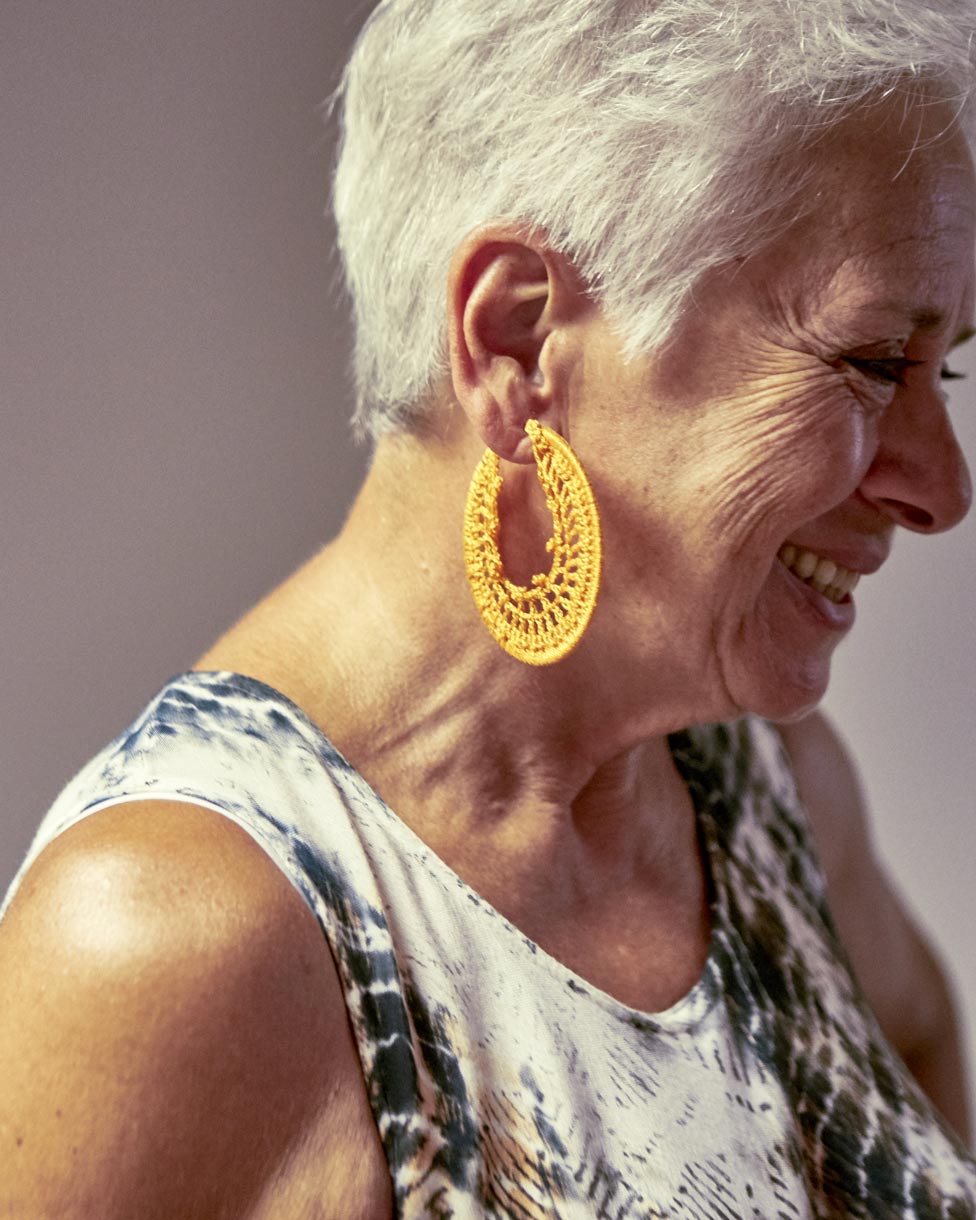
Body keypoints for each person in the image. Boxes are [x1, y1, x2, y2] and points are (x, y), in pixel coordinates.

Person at [2, 0, 976, 1215]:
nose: (942, 487)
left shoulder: (768, 786)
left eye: (946, 368)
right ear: (518, 341)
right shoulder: (174, 943)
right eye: (874, 361)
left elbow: (921, 1045)